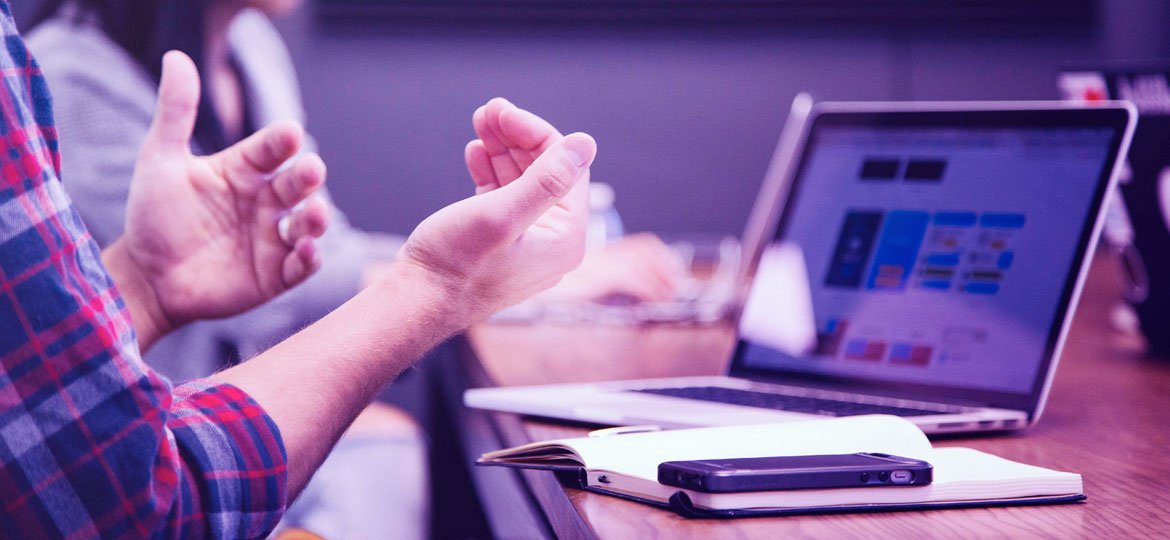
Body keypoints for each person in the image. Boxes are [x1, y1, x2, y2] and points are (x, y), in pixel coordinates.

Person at [25, 1, 680, 536]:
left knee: (393, 449)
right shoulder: (69, 74)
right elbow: (285, 295)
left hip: (206, 422)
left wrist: (145, 282)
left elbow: (309, 252)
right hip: (156, 442)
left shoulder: (251, 46)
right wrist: (461, 278)